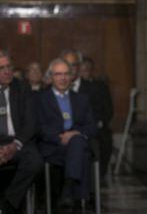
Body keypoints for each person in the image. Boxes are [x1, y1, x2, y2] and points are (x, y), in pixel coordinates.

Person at [35, 58, 97, 211]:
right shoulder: (40, 99)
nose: (62, 78)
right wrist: (60, 137)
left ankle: (68, 188)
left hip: (75, 145)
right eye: (58, 74)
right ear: (51, 77)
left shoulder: (82, 99)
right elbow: (38, 127)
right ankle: (78, 200)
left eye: (65, 74)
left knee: (77, 142)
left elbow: (92, 127)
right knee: (82, 152)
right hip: (53, 147)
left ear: (71, 76)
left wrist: (76, 133)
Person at [0, 50, 43, 214]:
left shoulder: (23, 87)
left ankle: (8, 203)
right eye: (1, 67)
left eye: (9, 66)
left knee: (34, 161)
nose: (7, 71)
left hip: (18, 141)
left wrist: (14, 145)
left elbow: (31, 123)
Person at [60, 50, 113, 178]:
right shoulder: (53, 90)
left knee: (99, 142)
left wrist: (82, 131)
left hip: (90, 134)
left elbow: (106, 113)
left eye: (73, 65)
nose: (70, 69)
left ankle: (91, 189)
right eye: (66, 64)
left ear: (79, 66)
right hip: (61, 135)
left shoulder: (96, 89)